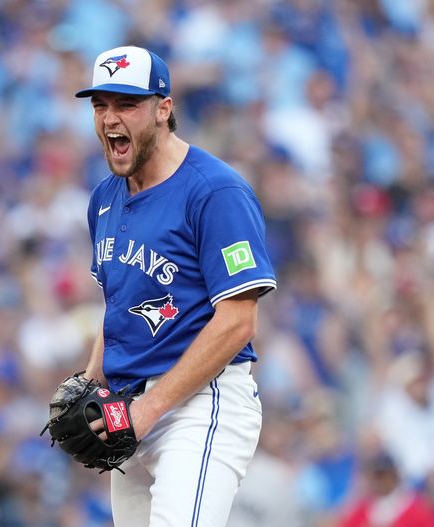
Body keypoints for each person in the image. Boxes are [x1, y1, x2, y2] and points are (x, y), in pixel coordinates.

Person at [75, 45, 277, 526]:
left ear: (164, 109)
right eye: (100, 105)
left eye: (127, 104)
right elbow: (119, 307)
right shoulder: (104, 197)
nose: (110, 118)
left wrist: (151, 408)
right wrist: (89, 380)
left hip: (200, 405)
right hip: (131, 408)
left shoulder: (214, 191)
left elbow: (238, 322)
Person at [339, 450, 434, 527]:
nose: (379, 481)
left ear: (395, 475)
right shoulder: (361, 510)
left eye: (383, 474)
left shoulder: (419, 509)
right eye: (375, 475)